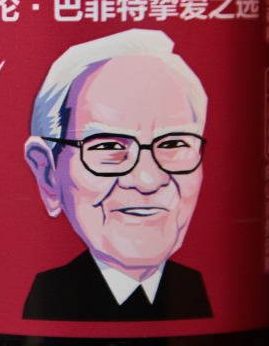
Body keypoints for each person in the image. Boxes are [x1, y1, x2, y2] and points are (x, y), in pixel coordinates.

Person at [22, 29, 213, 321]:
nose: (148, 180)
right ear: (48, 173)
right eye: (109, 147)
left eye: (174, 144)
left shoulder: (201, 292)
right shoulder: (47, 297)